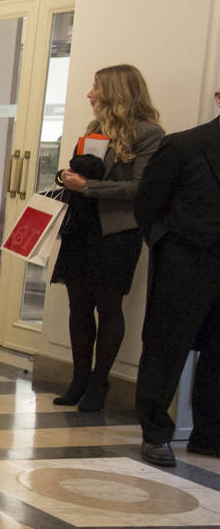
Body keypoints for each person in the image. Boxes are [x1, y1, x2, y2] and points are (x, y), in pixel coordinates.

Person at [51, 64, 164, 413]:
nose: (89, 93)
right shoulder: (94, 129)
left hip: (116, 232)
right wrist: (65, 177)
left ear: (116, 92)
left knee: (108, 306)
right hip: (80, 226)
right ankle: (79, 379)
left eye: (96, 87)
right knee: (78, 305)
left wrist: (88, 187)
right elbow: (78, 173)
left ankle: (100, 383)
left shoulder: (149, 134)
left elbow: (140, 187)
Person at [132, 84, 220, 469]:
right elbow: (147, 204)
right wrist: (166, 247)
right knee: (166, 349)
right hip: (185, 261)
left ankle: (210, 435)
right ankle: (155, 433)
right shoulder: (184, 145)